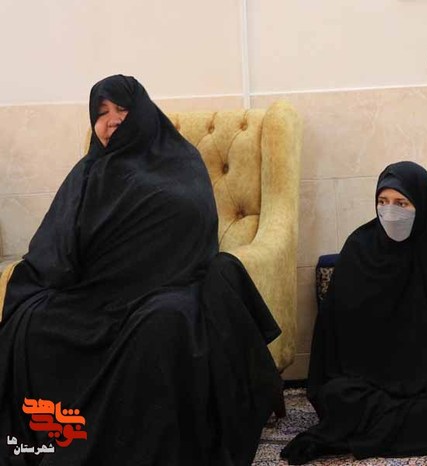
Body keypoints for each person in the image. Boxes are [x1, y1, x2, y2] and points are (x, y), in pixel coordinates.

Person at [0, 75, 282, 465]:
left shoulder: (180, 162)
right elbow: (55, 244)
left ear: (144, 113)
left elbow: (193, 228)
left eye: (122, 109)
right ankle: (57, 433)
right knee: (30, 324)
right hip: (94, 293)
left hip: (168, 287)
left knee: (161, 326)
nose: (111, 120)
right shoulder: (87, 172)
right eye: (101, 113)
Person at [281, 161, 427, 464]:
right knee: (337, 396)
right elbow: (337, 341)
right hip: (368, 384)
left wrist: (422, 374)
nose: (390, 212)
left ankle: (378, 429)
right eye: (383, 201)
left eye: (401, 203)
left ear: (423, 205)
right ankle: (408, 426)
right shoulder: (359, 250)